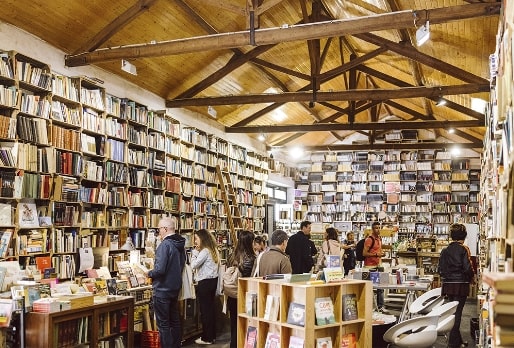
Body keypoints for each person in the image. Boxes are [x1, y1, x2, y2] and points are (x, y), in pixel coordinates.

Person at [146, 216, 185, 348]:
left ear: (165, 229)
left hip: (162, 289)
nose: (158, 233)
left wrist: (148, 273)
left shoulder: (165, 245)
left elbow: (160, 270)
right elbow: (182, 264)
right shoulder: (180, 244)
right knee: (174, 321)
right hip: (174, 288)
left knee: (163, 324)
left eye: (159, 229)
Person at [437, 223, 475, 348]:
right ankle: (453, 344)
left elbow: (440, 269)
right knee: (457, 314)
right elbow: (468, 268)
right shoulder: (464, 249)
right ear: (464, 236)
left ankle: (458, 341)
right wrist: (471, 278)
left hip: (448, 285)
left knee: (453, 313)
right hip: (460, 285)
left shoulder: (445, 250)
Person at [227, 230, 256, 348]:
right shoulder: (252, 258)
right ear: (250, 242)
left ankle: (233, 344)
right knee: (246, 323)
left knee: (234, 323)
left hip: (232, 294)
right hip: (245, 295)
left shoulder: (231, 256)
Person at [191, 229, 220, 345]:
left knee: (205, 311)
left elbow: (193, 265)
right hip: (212, 282)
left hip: (204, 283)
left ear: (202, 239)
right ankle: (211, 336)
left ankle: (206, 338)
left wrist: (194, 253)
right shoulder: (214, 250)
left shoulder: (204, 251)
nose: (195, 241)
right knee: (210, 310)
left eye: (196, 239)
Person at [362, 222, 385, 309]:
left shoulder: (379, 239)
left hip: (378, 264)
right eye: (376, 228)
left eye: (379, 227)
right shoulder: (369, 239)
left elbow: (378, 250)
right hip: (370, 266)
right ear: (372, 229)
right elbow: (364, 253)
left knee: (381, 286)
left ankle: (380, 306)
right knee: (369, 288)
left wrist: (381, 254)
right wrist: (376, 255)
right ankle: (367, 307)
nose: (378, 229)